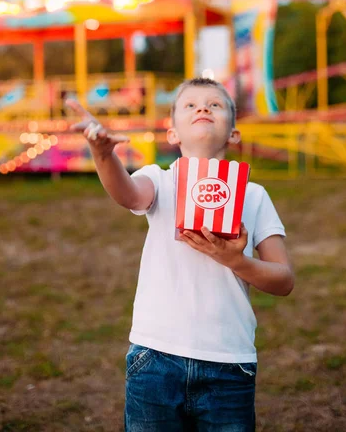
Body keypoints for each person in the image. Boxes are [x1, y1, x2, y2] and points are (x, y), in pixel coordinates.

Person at [66, 77, 294, 431]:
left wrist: (236, 260)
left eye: (215, 105)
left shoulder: (254, 195)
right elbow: (127, 194)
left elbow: (283, 280)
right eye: (190, 105)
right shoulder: (159, 180)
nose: (203, 108)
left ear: (234, 134)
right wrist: (103, 154)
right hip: (155, 356)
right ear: (173, 134)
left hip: (229, 362)